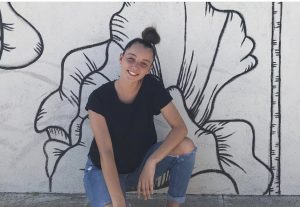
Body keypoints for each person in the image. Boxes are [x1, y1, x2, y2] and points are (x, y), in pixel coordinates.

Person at [83, 26, 196, 207]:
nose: (135, 66)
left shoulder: (151, 87)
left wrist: (152, 162)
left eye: (144, 63)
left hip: (139, 167)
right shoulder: (99, 98)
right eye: (131, 59)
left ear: (149, 69)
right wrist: (120, 203)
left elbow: (180, 128)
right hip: (104, 170)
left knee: (186, 146)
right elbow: (106, 152)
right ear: (121, 59)